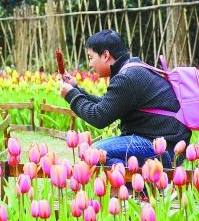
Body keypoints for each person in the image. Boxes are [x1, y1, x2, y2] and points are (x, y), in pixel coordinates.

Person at [59, 29, 191, 168]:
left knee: (95, 153)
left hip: (165, 146)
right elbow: (106, 106)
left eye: (91, 58)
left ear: (105, 55)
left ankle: (133, 188)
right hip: (165, 142)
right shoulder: (131, 69)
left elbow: (98, 117)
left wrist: (71, 95)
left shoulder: (127, 77)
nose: (90, 64)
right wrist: (76, 88)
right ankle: (135, 185)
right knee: (96, 152)